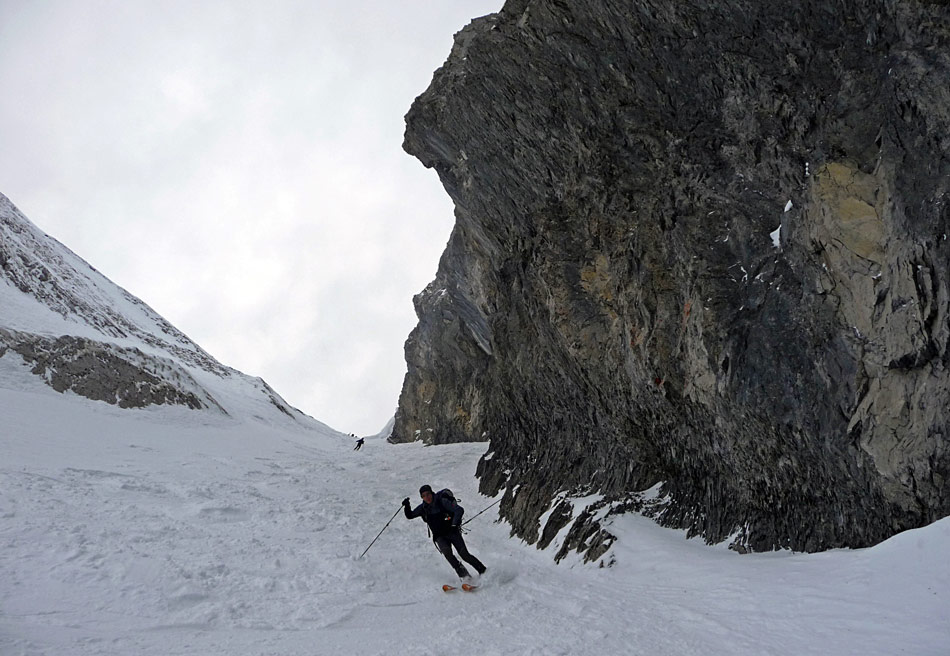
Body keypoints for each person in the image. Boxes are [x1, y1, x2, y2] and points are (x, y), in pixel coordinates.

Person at [403, 484, 487, 582]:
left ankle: (483, 571)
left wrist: (454, 524)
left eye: (428, 494)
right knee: (448, 554)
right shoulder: (423, 508)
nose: (427, 497)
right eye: (424, 496)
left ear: (431, 493)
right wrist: (406, 506)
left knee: (464, 554)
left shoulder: (442, 501)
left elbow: (459, 510)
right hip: (439, 537)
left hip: (452, 532)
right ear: (421, 497)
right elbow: (410, 515)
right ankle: (465, 577)